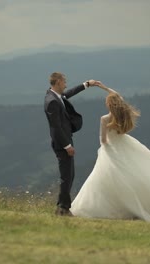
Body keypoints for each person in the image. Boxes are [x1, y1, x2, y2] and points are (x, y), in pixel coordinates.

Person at [71, 82, 150, 222]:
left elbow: (103, 140)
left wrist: (98, 86)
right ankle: (133, 209)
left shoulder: (105, 119)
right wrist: (103, 87)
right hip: (125, 144)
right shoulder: (122, 113)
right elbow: (116, 95)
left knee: (103, 179)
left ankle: (97, 209)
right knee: (135, 175)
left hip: (111, 149)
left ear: (109, 105)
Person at [44, 72, 100, 216]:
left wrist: (86, 84)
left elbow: (69, 93)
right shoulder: (52, 102)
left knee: (69, 175)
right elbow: (55, 127)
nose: (65, 85)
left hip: (65, 142)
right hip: (62, 144)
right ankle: (63, 209)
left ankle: (62, 207)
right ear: (57, 82)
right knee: (66, 176)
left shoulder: (57, 97)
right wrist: (67, 146)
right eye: (64, 82)